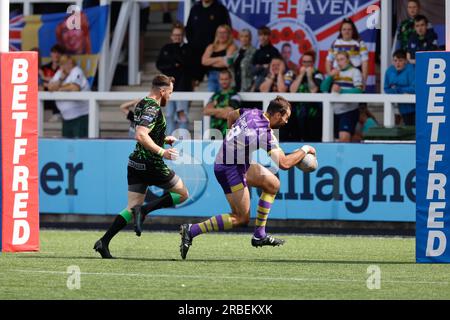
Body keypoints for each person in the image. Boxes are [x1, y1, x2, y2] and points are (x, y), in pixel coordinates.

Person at [179, 96, 317, 260]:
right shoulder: (265, 133)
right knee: (241, 218)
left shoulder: (252, 112)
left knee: (272, 184)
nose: (286, 122)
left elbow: (231, 115)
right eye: (286, 117)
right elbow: (284, 164)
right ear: (278, 114)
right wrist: (305, 149)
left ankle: (259, 235)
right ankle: (192, 230)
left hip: (237, 162)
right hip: (229, 169)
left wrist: (231, 141)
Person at [94, 74, 190, 259]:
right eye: (169, 93)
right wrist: (162, 152)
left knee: (131, 207)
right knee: (183, 194)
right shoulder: (153, 108)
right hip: (151, 164)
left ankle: (103, 242)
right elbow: (140, 134)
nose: (170, 97)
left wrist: (163, 138)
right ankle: (144, 211)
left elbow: (147, 133)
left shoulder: (142, 103)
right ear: (162, 91)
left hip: (135, 163)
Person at [156, 22, 193, 135]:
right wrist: (173, 65)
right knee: (169, 114)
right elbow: (159, 65)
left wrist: (177, 63)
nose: (177, 37)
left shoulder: (187, 49)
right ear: (171, 36)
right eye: (175, 35)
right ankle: (169, 139)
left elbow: (187, 65)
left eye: (179, 35)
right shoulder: (166, 48)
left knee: (182, 114)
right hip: (168, 88)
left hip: (183, 86)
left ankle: (183, 139)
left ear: (183, 36)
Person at [185, 0, 231, 85]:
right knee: (193, 81)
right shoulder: (195, 8)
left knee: (216, 82)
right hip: (196, 52)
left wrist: (217, 46)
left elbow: (227, 29)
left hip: (214, 52)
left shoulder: (220, 9)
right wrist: (193, 43)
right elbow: (188, 29)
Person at [321, 51, 363, 142]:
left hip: (349, 110)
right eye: (338, 60)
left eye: (342, 59)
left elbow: (359, 90)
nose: (340, 62)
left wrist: (342, 91)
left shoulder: (355, 71)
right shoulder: (334, 72)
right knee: (335, 139)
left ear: (348, 60)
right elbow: (323, 88)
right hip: (334, 111)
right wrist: (330, 77)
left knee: (344, 138)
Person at [283, 50, 323, 142]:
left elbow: (313, 90)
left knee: (311, 141)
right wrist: (301, 75)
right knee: (294, 140)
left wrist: (309, 76)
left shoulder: (318, 74)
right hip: (295, 114)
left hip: (312, 114)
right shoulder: (294, 73)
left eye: (309, 62)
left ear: (313, 63)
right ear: (301, 62)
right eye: (304, 62)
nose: (306, 64)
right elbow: (292, 90)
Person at [47, 55, 90, 138]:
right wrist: (61, 80)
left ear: (71, 62)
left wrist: (58, 87)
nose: (64, 66)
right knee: (67, 145)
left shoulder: (76, 71)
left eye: (67, 63)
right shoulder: (60, 73)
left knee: (81, 144)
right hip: (66, 117)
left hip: (81, 116)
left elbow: (75, 87)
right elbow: (50, 87)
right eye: (62, 64)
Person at [326, 18, 369, 88]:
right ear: (341, 31)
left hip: (354, 76)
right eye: (344, 29)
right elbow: (328, 61)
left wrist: (364, 80)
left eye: (349, 29)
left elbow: (365, 62)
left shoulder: (360, 43)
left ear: (353, 31)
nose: (347, 31)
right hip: (337, 76)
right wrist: (330, 76)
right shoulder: (335, 43)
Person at [203, 69, 241, 138]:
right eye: (222, 79)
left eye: (226, 79)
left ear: (231, 80)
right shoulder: (215, 95)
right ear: (219, 80)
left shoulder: (234, 96)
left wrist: (214, 110)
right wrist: (222, 110)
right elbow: (206, 111)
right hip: (214, 136)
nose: (223, 81)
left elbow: (228, 114)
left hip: (228, 136)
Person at [201, 24, 238, 92]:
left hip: (225, 77)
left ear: (228, 34)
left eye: (224, 32)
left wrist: (211, 62)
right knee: (212, 98)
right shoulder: (211, 46)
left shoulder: (232, 46)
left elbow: (226, 63)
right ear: (216, 34)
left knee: (222, 99)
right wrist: (220, 58)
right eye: (220, 32)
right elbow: (204, 61)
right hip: (211, 76)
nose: (222, 35)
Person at [384, 49, 416, 125]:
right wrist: (398, 90)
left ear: (405, 61)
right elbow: (386, 88)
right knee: (408, 128)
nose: (397, 63)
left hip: (415, 107)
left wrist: (398, 88)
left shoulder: (411, 69)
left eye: (400, 60)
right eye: (395, 61)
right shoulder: (389, 71)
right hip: (402, 107)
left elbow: (415, 89)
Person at [39, 44, 65, 123]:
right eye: (54, 52)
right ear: (51, 54)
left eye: (58, 52)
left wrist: (44, 78)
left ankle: (57, 114)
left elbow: (61, 82)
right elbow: (40, 82)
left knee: (56, 88)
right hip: (46, 93)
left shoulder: (64, 68)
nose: (56, 55)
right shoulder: (44, 67)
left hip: (58, 93)